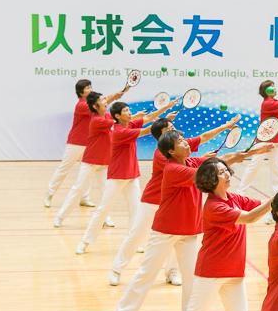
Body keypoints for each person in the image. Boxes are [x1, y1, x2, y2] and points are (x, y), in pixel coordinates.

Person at [149, 157, 273, 311]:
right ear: (210, 179)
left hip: (234, 274)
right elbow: (249, 217)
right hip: (211, 272)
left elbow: (258, 206)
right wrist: (274, 200)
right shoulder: (215, 206)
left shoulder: (235, 198)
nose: (226, 173)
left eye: (226, 170)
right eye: (220, 172)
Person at [108, 132, 249, 311]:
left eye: (184, 139)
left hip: (189, 230)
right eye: (180, 142)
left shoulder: (190, 161)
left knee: (191, 276)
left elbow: (212, 162)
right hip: (165, 230)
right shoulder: (172, 169)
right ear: (171, 151)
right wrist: (229, 159)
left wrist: (236, 155)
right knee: (147, 272)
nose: (185, 142)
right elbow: (209, 170)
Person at [108, 115, 255, 286]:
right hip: (152, 200)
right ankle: (117, 269)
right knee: (136, 234)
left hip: (176, 205)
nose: (174, 131)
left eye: (173, 128)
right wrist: (208, 162)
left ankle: (171, 272)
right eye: (169, 130)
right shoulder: (162, 156)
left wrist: (226, 126)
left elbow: (204, 137)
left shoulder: (178, 145)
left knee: (177, 238)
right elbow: (193, 172)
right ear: (163, 139)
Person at [75, 99, 176, 255]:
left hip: (132, 176)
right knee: (103, 209)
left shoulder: (129, 124)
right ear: (117, 116)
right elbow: (148, 130)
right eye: (126, 111)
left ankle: (134, 244)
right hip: (117, 176)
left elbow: (149, 118)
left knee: (135, 210)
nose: (130, 113)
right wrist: (167, 122)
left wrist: (167, 107)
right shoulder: (119, 131)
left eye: (130, 110)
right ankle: (85, 242)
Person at [44, 79, 128, 208]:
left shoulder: (95, 103)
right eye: (87, 87)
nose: (90, 89)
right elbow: (101, 103)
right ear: (81, 92)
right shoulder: (82, 105)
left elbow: (103, 102)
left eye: (90, 86)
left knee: (88, 171)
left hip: (89, 144)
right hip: (75, 143)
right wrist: (114, 96)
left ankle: (84, 198)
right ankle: (49, 194)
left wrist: (116, 95)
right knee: (64, 169)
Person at [54, 92, 118, 229]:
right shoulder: (97, 120)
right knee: (78, 189)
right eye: (102, 100)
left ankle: (105, 217)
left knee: (105, 192)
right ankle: (60, 217)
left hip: (104, 162)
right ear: (95, 106)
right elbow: (117, 122)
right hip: (90, 162)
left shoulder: (106, 115)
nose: (105, 101)